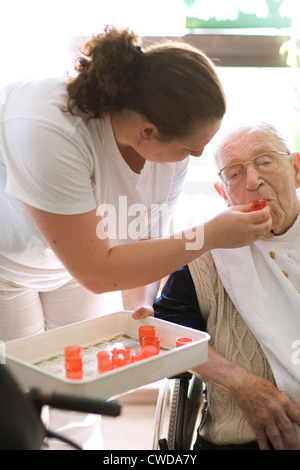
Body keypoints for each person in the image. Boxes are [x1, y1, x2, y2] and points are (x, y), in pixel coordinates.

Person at [0, 25, 271, 449]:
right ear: (146, 130)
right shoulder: (49, 124)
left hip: (78, 266)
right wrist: (210, 235)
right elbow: (96, 270)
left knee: (83, 395)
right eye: (189, 149)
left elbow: (146, 237)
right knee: (16, 397)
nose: (194, 158)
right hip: (8, 266)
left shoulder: (167, 153)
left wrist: (141, 302)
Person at [135, 122, 300, 450]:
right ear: (223, 194)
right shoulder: (206, 255)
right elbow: (159, 333)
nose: (254, 181)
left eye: (265, 161)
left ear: (296, 169)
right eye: (235, 174)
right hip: (245, 440)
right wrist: (241, 383)